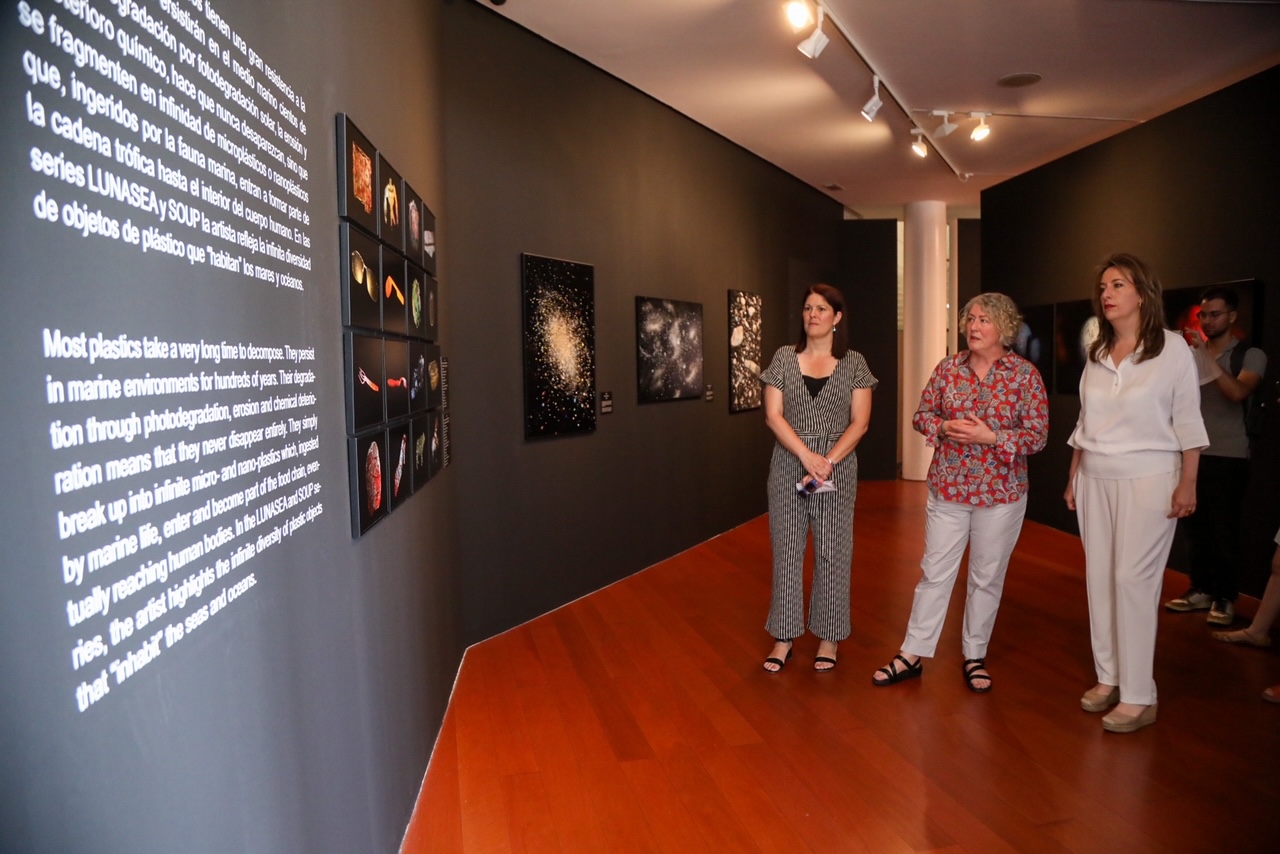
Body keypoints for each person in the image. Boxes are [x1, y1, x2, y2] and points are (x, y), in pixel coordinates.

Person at [872, 293, 1049, 692]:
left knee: (986, 577)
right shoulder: (949, 370)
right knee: (934, 573)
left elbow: (1038, 436)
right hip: (949, 488)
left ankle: (974, 656)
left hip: (1002, 494)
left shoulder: (1024, 376)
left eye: (984, 320)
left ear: (1003, 328)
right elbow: (922, 414)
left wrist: (992, 436)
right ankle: (912, 654)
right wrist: (942, 428)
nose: (973, 327)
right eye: (971, 319)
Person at [1064, 253, 1208, 734]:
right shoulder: (1096, 353)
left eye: (1118, 284)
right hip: (1095, 477)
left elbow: (1188, 421)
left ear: (1143, 293)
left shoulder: (1173, 349)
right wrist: (1073, 475)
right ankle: (1109, 676)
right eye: (1103, 285)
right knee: (1100, 577)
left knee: (1132, 579)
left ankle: (1140, 694)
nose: (1107, 293)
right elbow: (1085, 422)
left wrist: (1188, 481)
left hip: (1151, 476)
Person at [760, 284, 876, 672]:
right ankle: (783, 637)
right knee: (787, 551)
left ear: (837, 317)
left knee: (833, 551)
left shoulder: (854, 363)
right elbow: (774, 416)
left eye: (822, 308)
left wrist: (826, 460)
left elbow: (860, 423)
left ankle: (829, 636)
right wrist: (807, 455)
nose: (813, 314)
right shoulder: (783, 358)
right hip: (789, 463)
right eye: (808, 308)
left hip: (836, 468)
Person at [1164, 286, 1266, 625]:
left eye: (1215, 314)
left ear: (1232, 316)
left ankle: (1225, 597)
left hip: (1230, 454)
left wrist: (1205, 359)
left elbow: (1237, 392)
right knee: (1194, 527)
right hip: (1192, 452)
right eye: (1203, 315)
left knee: (1223, 529)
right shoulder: (1192, 354)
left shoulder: (1250, 355)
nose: (1207, 321)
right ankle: (1201, 589)